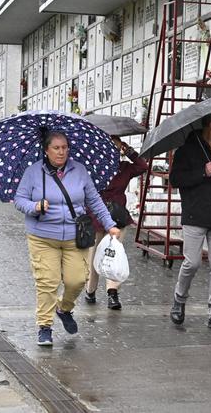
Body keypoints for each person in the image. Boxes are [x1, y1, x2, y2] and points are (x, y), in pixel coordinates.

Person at [14, 131, 120, 346]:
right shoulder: (34, 172)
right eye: (56, 148)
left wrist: (110, 225)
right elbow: (19, 199)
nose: (61, 152)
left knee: (77, 280)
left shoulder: (79, 170)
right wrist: (34, 207)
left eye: (64, 147)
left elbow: (94, 199)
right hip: (43, 237)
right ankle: (45, 327)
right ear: (46, 150)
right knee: (48, 282)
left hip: (75, 236)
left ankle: (64, 309)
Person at [168, 110, 211, 331]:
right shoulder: (186, 151)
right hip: (195, 216)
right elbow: (175, 179)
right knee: (192, 262)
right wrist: (203, 172)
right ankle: (179, 299)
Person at [84, 136, 147, 310]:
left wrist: (129, 152)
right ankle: (90, 290)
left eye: (117, 148)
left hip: (117, 217)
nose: (114, 151)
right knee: (94, 255)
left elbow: (143, 166)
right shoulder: (93, 168)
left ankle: (113, 293)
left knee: (114, 254)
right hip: (96, 217)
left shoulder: (124, 167)